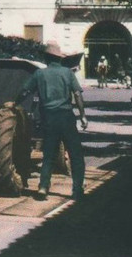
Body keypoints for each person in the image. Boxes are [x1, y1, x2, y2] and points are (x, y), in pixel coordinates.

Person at [16, 41, 87, 201]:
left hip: (48, 117)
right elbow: (77, 94)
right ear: (59, 58)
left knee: (48, 155)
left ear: (46, 58)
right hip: (66, 117)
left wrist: (15, 103)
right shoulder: (68, 73)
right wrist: (82, 115)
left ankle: (43, 187)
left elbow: (25, 91)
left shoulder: (39, 74)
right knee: (76, 155)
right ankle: (77, 190)